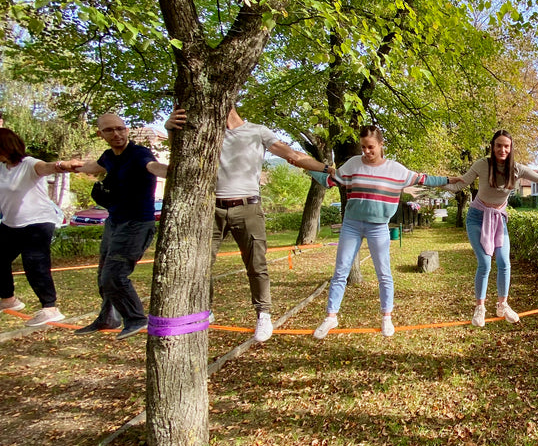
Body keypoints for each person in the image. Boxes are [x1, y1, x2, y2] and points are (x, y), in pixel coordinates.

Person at [166, 105, 331, 342]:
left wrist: (327, 169)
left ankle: (263, 315)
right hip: (212, 208)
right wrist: (170, 130)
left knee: (256, 264)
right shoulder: (208, 132)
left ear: (228, 103)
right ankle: (204, 311)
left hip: (247, 206)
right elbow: (182, 157)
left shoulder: (257, 132)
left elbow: (293, 155)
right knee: (199, 263)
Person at [313, 125, 454, 339]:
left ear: (380, 145)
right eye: (363, 148)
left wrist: (449, 180)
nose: (366, 152)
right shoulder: (352, 164)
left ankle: (387, 317)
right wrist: (303, 165)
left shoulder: (396, 170)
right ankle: (331, 316)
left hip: (378, 227)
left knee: (384, 273)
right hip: (352, 224)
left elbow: (424, 179)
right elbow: (329, 180)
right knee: (341, 270)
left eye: (370, 147)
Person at [448, 130, 538, 328]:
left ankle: (502, 305)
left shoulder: (518, 169)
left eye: (506, 146)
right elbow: (459, 184)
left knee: (504, 262)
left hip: (499, 219)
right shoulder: (482, 165)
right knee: (485, 263)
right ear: (492, 147)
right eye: (498, 145)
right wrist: (432, 181)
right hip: (477, 218)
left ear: (511, 149)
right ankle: (480, 308)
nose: (502, 149)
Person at [76, 114, 169, 340]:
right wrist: (64, 167)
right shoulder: (109, 156)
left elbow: (154, 166)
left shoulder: (139, 154)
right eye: (109, 130)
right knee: (103, 276)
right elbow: (94, 166)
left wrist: (175, 171)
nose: (116, 134)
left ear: (127, 130)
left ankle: (136, 318)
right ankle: (108, 317)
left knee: (114, 275)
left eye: (120, 128)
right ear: (101, 134)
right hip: (114, 222)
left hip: (137, 224)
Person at [0, 129, 83, 326]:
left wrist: (63, 165)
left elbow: (47, 167)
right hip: (11, 223)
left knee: (34, 262)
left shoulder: (28, 164)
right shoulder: (1, 168)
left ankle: (50, 308)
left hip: (38, 221)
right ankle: (8, 299)